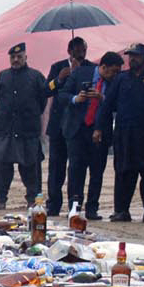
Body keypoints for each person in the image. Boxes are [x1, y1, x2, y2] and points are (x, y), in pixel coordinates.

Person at [98, 43, 144, 222]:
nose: (132, 59)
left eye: (136, 56)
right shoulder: (121, 79)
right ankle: (122, 210)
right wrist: (99, 128)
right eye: (130, 55)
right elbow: (107, 105)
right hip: (126, 134)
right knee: (124, 173)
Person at [60, 51, 120, 219]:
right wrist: (76, 98)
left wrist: (103, 97)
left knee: (97, 171)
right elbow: (62, 95)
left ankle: (92, 208)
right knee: (75, 169)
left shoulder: (116, 81)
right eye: (113, 71)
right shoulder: (80, 73)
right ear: (103, 67)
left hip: (99, 131)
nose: (115, 75)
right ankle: (74, 207)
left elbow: (118, 104)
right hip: (77, 130)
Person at [0, 42, 47, 208]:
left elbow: (42, 102)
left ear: (25, 57)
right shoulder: (2, 76)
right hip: (5, 129)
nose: (15, 59)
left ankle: (33, 200)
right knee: (1, 167)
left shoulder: (36, 76)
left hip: (27, 130)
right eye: (12, 57)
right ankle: (0, 200)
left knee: (31, 168)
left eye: (19, 57)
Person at [45, 37, 88, 210]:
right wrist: (60, 79)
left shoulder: (89, 68)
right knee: (56, 166)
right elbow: (46, 90)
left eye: (84, 51)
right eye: (77, 51)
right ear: (69, 51)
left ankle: (75, 204)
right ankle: (54, 203)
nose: (81, 54)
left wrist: (77, 75)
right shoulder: (58, 67)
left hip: (77, 126)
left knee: (76, 166)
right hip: (58, 125)